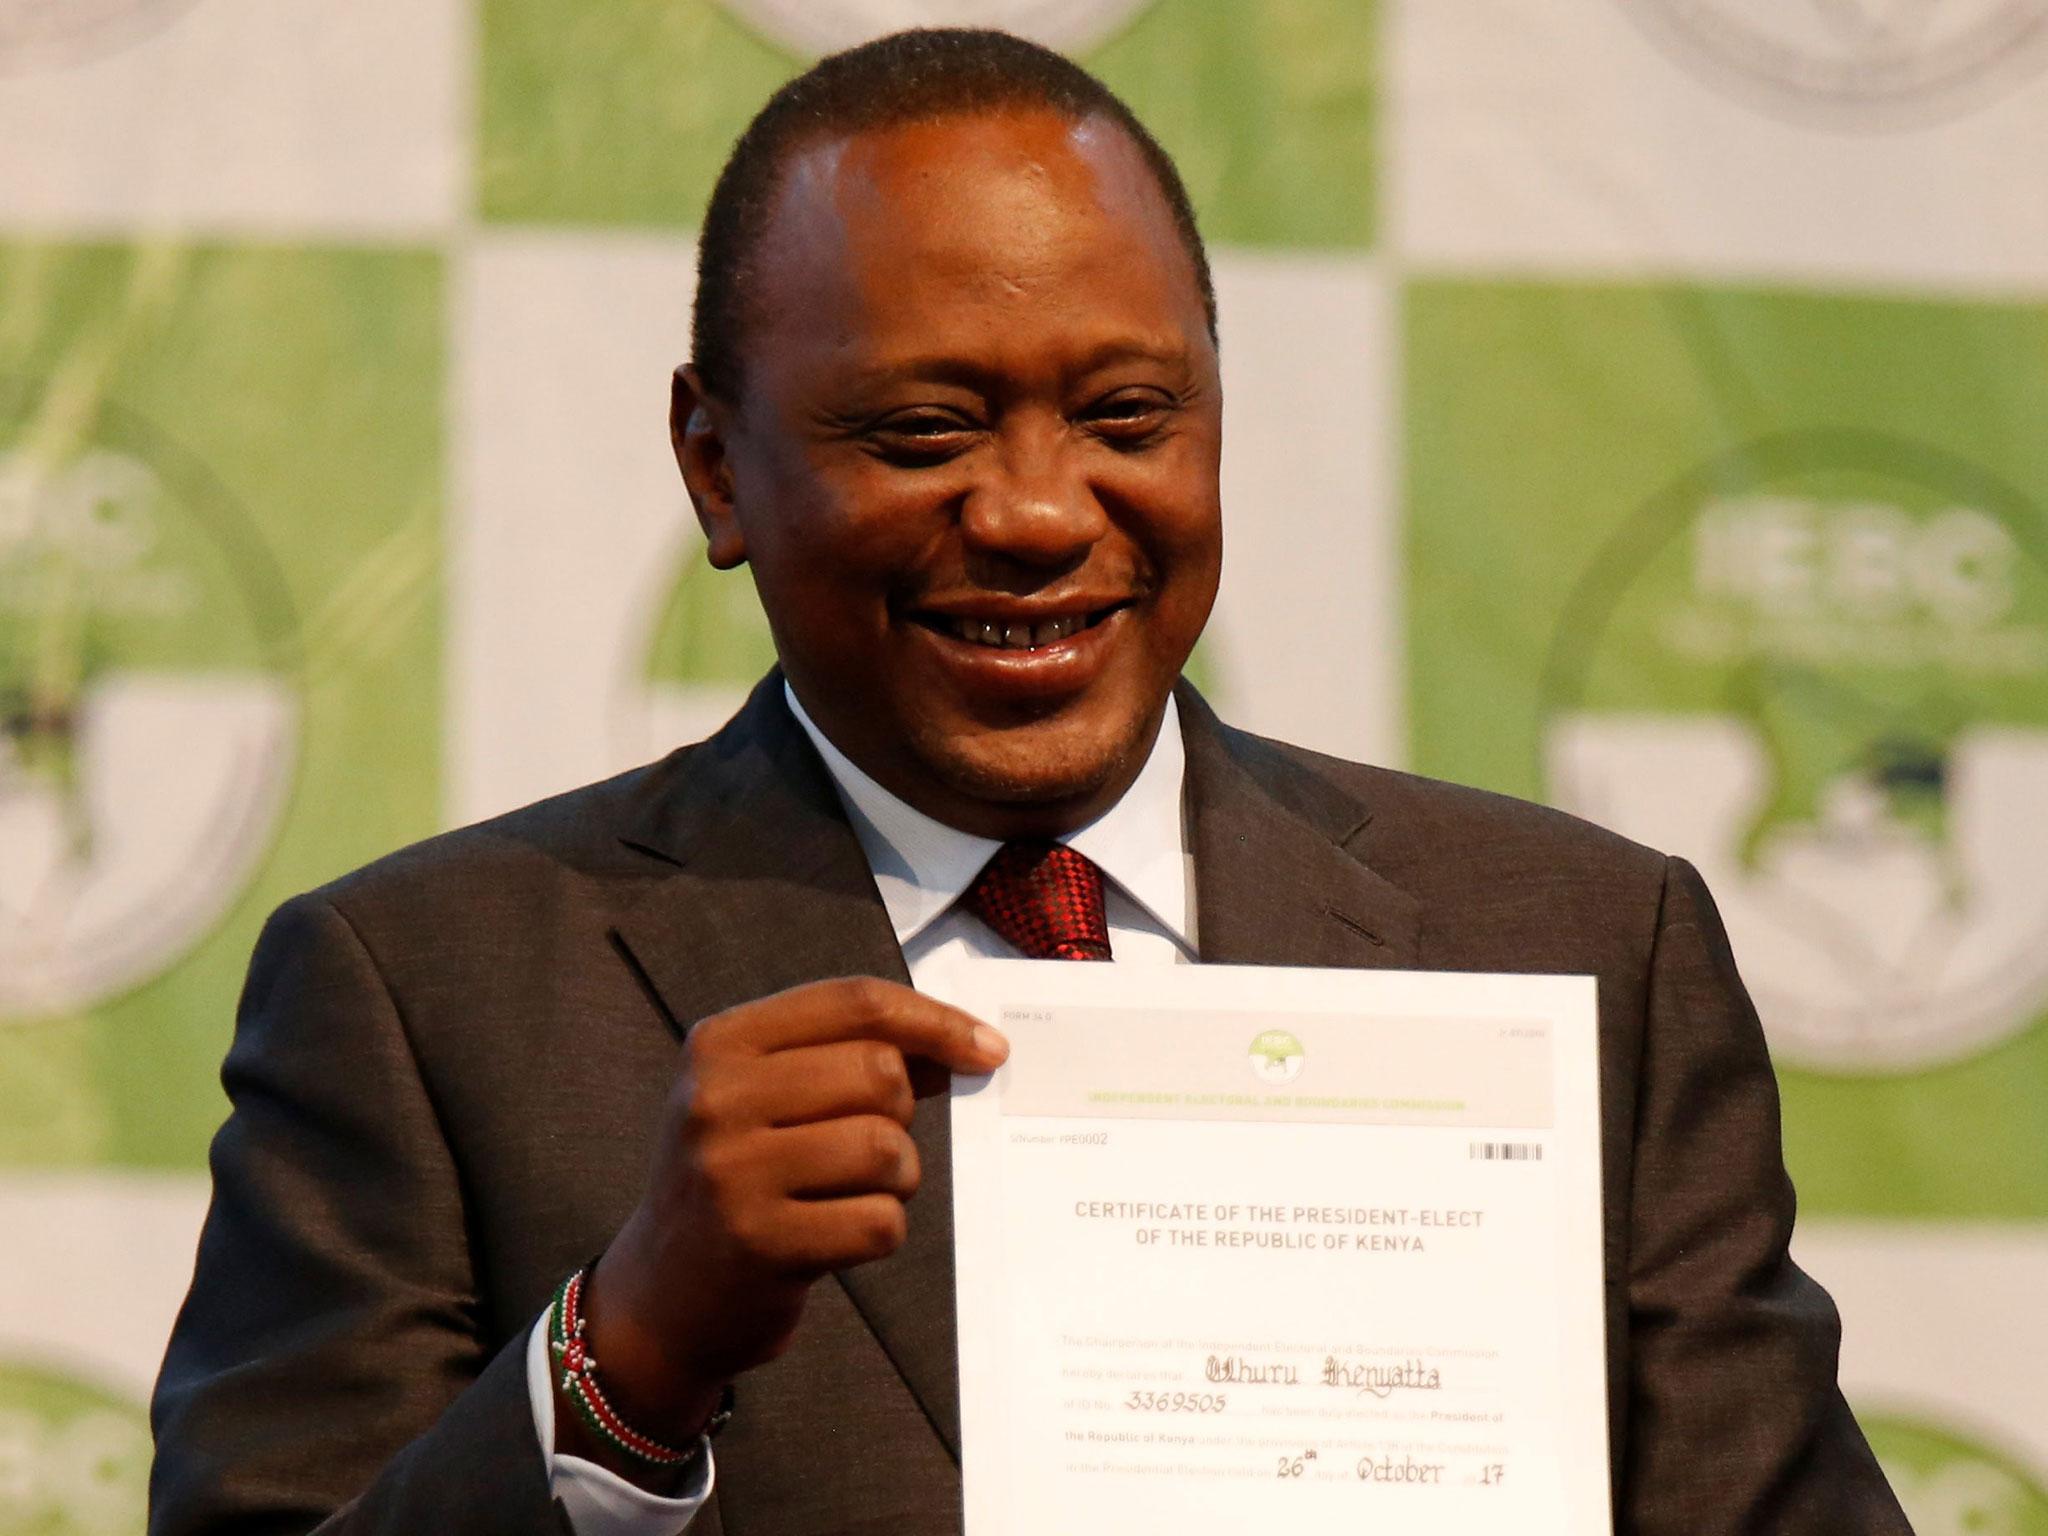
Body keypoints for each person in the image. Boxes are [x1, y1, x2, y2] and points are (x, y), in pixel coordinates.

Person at [148, 27, 1911, 1536]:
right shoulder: (424, 995)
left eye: (1131, 418)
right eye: (923, 434)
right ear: (717, 463)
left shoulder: (1584, 947)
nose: (1040, 513)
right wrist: (623, 1360)